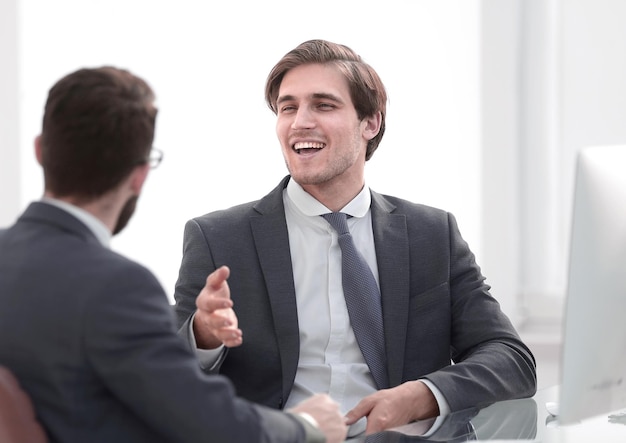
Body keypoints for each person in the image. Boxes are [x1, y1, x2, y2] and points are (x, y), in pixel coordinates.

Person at [173, 39, 537, 438]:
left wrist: (422, 395)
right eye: (288, 107)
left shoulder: (432, 234)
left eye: (323, 105)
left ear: (371, 123)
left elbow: (511, 359)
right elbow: (164, 378)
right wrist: (204, 336)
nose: (299, 122)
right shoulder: (218, 238)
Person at [0, 66, 348, 443]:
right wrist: (307, 427)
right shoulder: (116, 287)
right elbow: (208, 424)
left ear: (39, 150)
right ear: (139, 175)